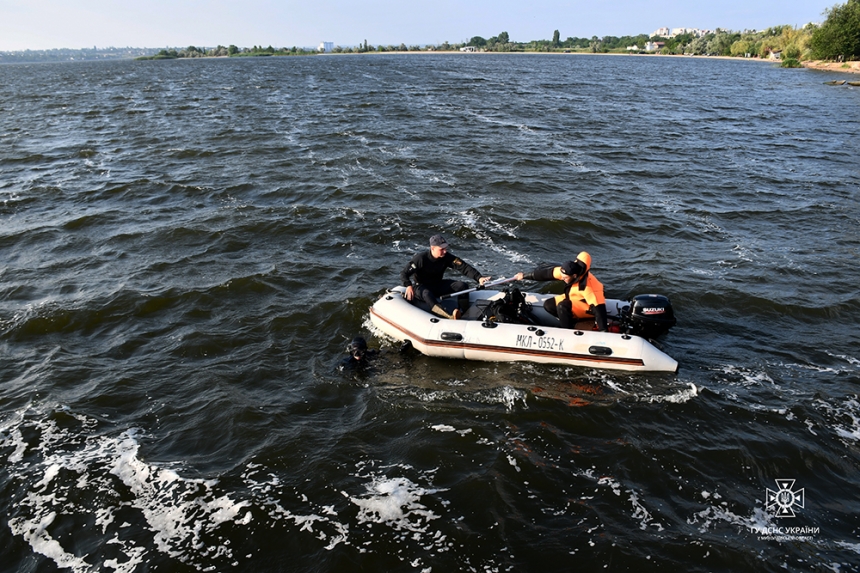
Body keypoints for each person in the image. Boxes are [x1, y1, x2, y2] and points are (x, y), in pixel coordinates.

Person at [401, 234, 491, 320]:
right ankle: (449, 316)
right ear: (433, 248)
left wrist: (479, 277)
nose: (445, 251)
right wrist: (408, 285)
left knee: (462, 286)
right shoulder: (420, 259)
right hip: (421, 287)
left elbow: (463, 267)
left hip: (437, 285)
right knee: (427, 293)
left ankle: (463, 312)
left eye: (445, 248)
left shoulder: (446, 257)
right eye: (442, 249)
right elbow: (404, 273)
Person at [515, 251, 608, 331]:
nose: (563, 279)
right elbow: (546, 274)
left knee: (562, 306)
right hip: (573, 299)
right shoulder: (567, 271)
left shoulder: (588, 287)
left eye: (565, 278)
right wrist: (524, 276)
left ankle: (567, 331)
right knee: (549, 305)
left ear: (574, 276)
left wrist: (603, 330)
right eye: (562, 276)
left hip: (587, 309)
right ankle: (571, 321)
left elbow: (599, 310)